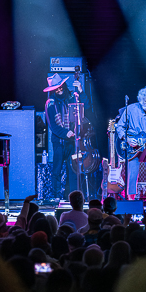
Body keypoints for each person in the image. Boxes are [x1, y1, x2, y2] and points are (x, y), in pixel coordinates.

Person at [115, 87, 146, 199]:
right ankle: (131, 200)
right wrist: (127, 138)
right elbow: (119, 127)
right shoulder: (130, 109)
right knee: (132, 175)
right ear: (140, 100)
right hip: (132, 147)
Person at [44, 73, 84, 201]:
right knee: (56, 171)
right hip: (59, 143)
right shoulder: (50, 104)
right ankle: (56, 199)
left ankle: (75, 198)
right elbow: (52, 126)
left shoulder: (73, 97)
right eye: (56, 88)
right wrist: (65, 133)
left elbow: (84, 109)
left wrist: (81, 91)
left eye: (61, 87)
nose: (59, 90)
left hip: (73, 143)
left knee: (73, 170)